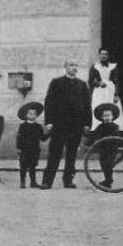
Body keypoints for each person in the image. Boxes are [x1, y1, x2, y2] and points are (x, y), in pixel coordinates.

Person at [40, 58, 90, 189]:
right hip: (59, 124)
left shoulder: (82, 85)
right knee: (55, 152)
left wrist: (87, 123)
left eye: (76, 65)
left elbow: (87, 106)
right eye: (71, 65)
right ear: (65, 67)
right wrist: (49, 121)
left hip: (76, 125)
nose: (74, 67)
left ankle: (68, 180)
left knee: (72, 153)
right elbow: (49, 102)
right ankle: (47, 181)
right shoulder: (56, 83)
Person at [17, 101, 46, 188]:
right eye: (30, 114)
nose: (33, 116)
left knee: (33, 166)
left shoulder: (38, 126)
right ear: (26, 115)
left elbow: (42, 138)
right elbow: (19, 137)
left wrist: (49, 132)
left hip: (35, 149)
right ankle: (22, 182)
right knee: (23, 166)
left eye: (34, 114)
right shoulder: (23, 126)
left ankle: (33, 182)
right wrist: (19, 148)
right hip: (24, 149)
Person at [89, 48, 118, 130]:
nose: (103, 56)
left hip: (110, 90)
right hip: (99, 91)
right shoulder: (95, 66)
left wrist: (116, 94)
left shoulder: (113, 66)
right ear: (99, 55)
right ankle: (97, 128)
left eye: (105, 54)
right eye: (102, 54)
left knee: (110, 107)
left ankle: (111, 128)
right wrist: (98, 83)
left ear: (108, 56)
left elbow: (116, 81)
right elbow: (90, 81)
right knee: (98, 107)